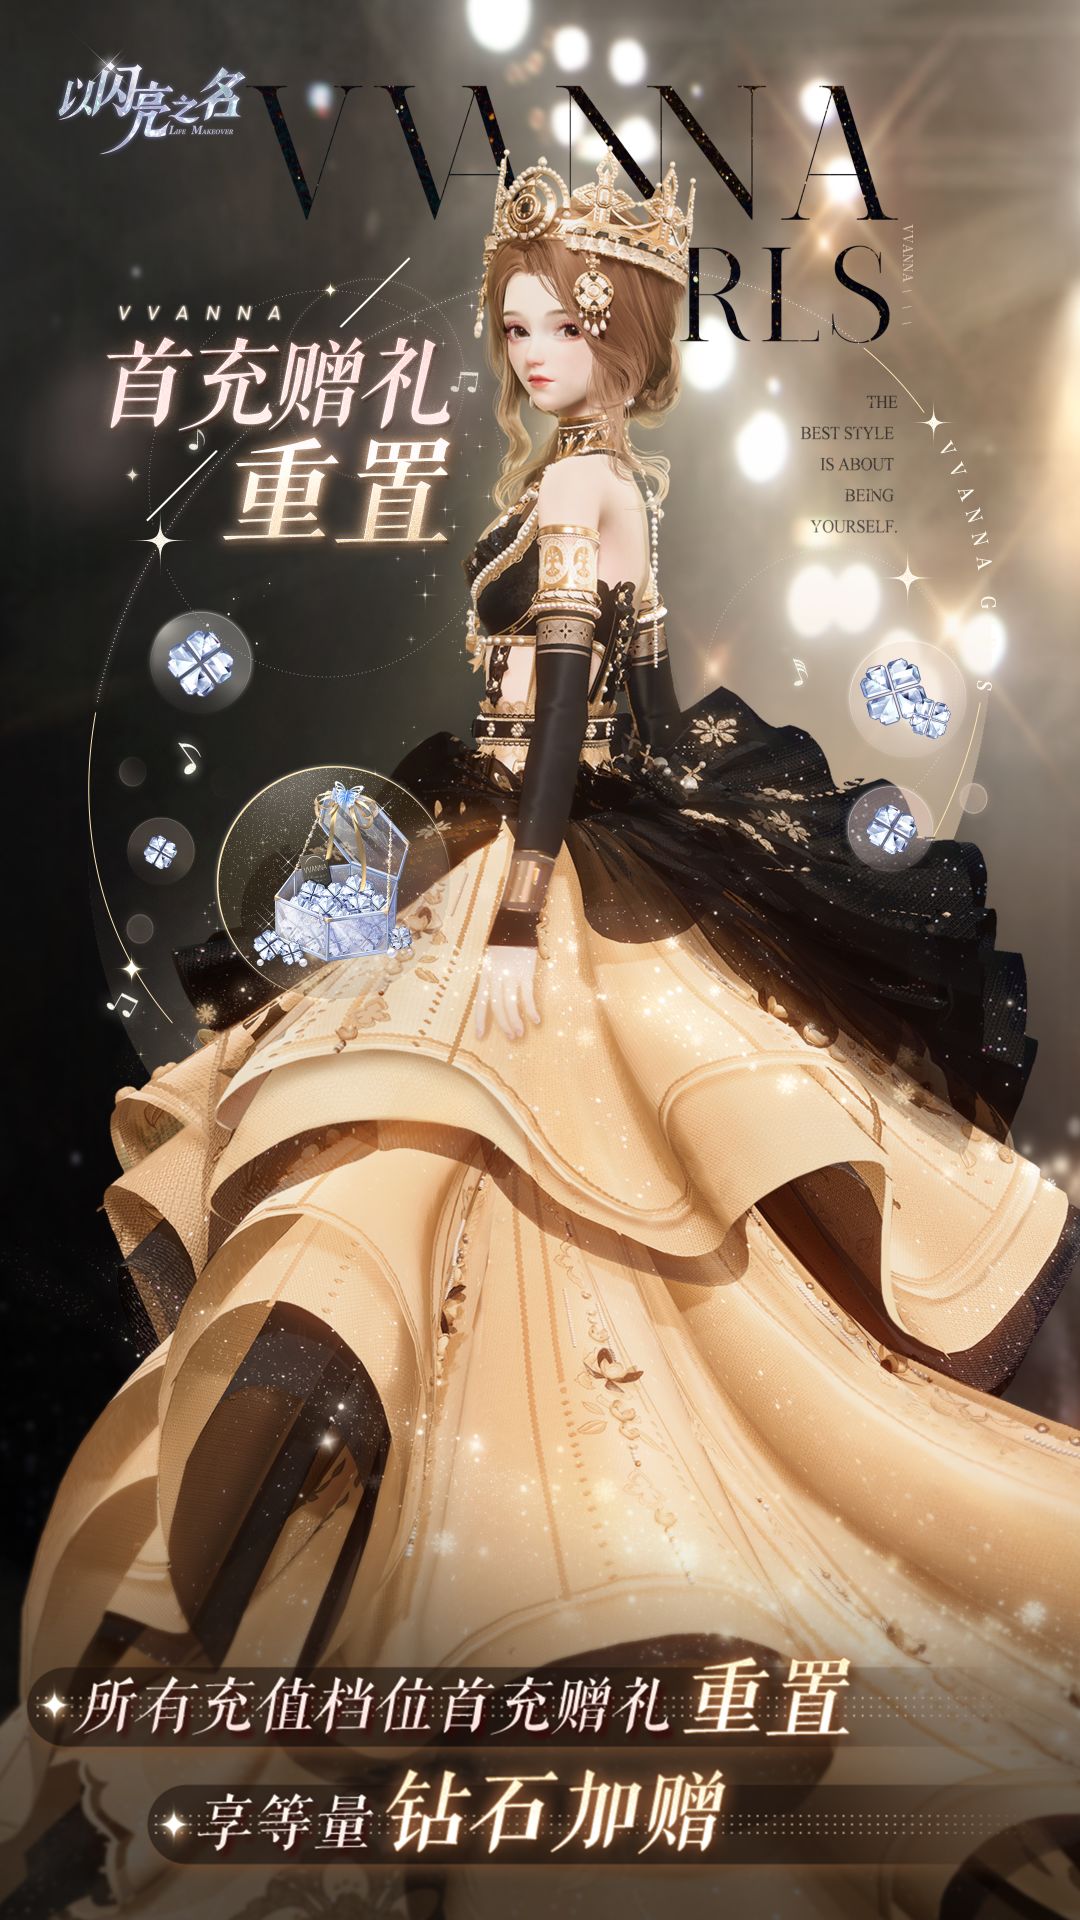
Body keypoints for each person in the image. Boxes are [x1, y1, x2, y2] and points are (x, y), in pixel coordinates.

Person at [2, 150, 1079, 1920]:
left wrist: (513, 903)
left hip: (540, 861)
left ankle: (509, 1576)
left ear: (614, 332)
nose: (525, 352)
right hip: (515, 838)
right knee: (435, 1168)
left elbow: (578, 702)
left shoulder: (586, 486)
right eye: (511, 327)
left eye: (554, 325)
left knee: (464, 1157)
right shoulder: (579, 478)